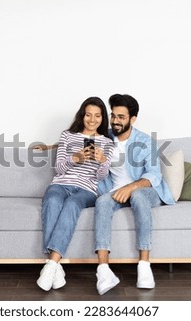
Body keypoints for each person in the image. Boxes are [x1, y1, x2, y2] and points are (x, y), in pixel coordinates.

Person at [94, 94, 175, 295]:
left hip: (146, 192)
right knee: (102, 202)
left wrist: (130, 188)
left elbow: (154, 174)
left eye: (121, 117)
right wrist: (52, 147)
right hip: (115, 192)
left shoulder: (144, 141)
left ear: (133, 119)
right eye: (113, 115)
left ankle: (144, 266)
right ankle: (104, 270)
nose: (115, 121)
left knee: (138, 196)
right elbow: (78, 139)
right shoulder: (105, 139)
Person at [37, 96, 114, 291]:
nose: (92, 119)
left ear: (102, 118)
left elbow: (101, 176)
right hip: (61, 184)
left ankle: (52, 263)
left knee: (72, 204)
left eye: (97, 116)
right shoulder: (67, 136)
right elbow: (59, 168)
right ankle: (56, 268)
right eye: (88, 115)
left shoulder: (106, 142)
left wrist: (102, 160)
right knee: (53, 200)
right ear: (82, 115)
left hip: (86, 189)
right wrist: (76, 158)